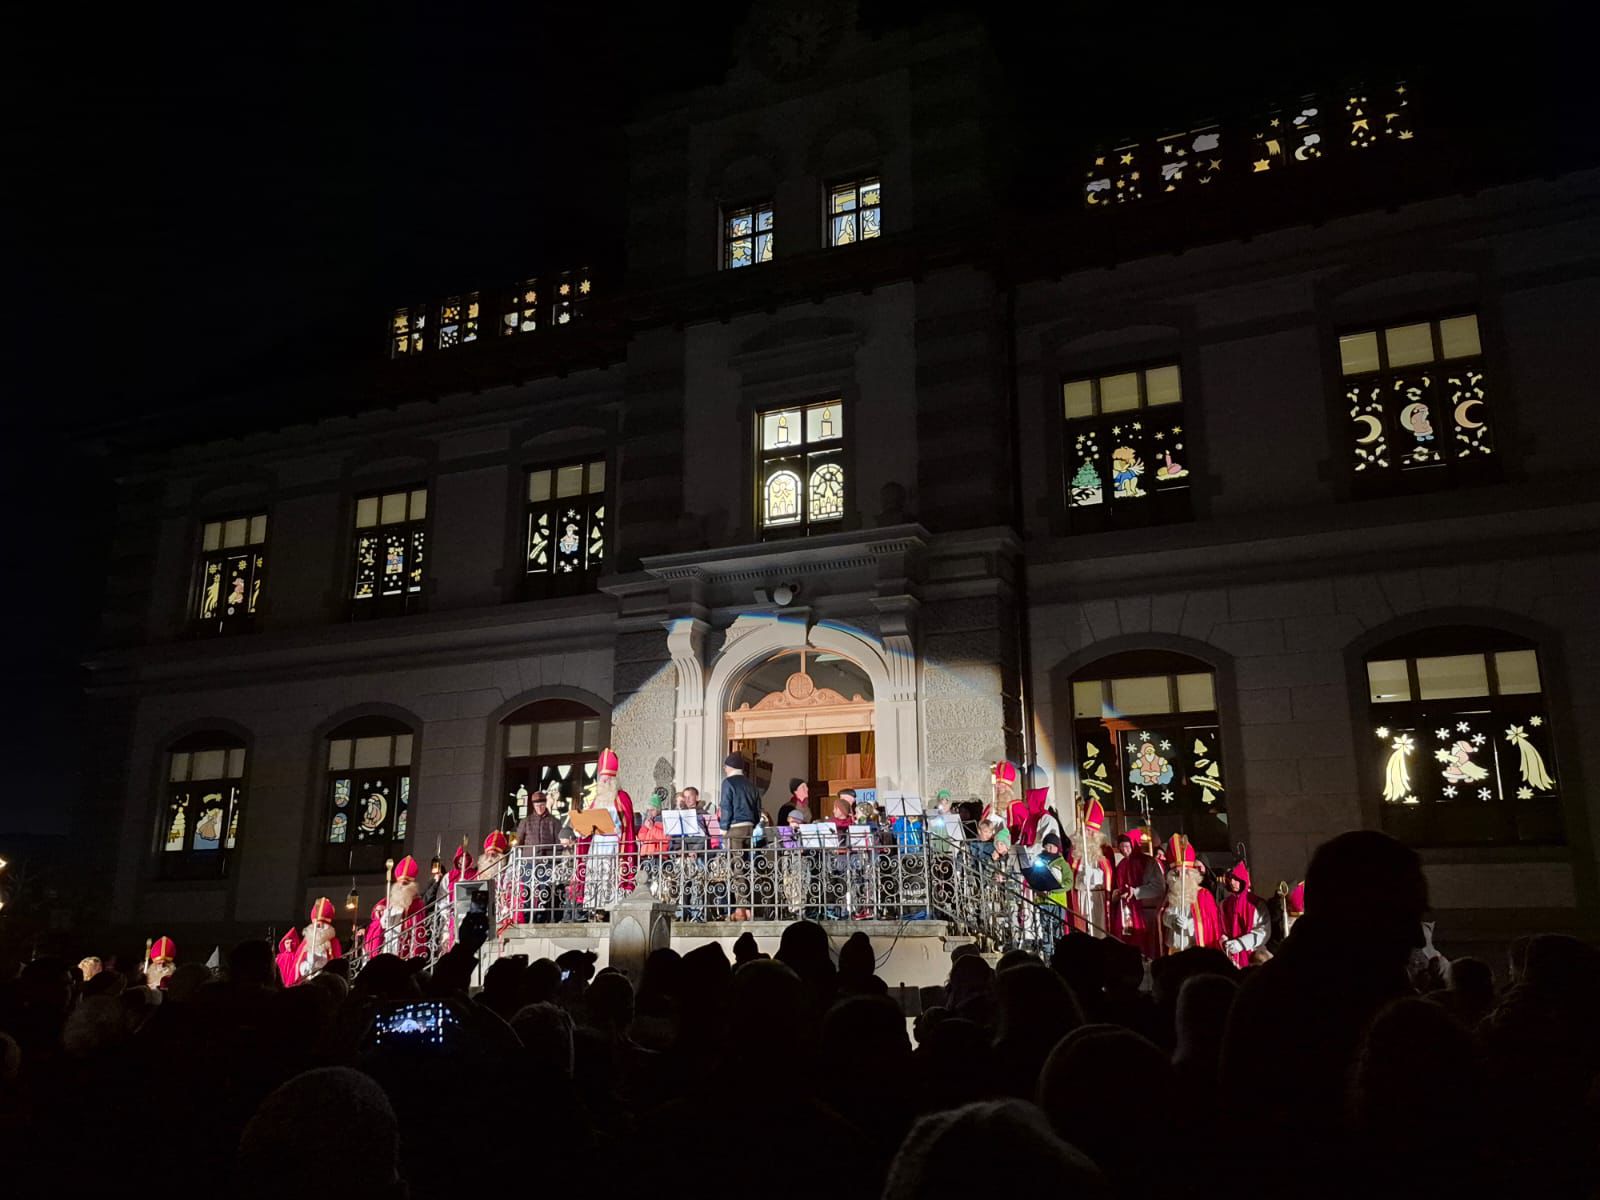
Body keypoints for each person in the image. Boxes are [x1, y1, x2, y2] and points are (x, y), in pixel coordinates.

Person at [719, 752, 763, 921]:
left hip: (734, 828)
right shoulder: (751, 784)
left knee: (737, 868)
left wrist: (723, 828)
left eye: (725, 766)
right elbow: (758, 808)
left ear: (730, 767)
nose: (724, 769)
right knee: (748, 866)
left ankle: (741, 909)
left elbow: (726, 806)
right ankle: (749, 907)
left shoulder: (728, 783)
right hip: (749, 828)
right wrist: (753, 823)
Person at [1163, 834, 1224, 953]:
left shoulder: (1203, 894)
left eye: (1184, 872)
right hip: (1173, 949)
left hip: (1193, 948)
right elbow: (1164, 915)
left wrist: (1189, 924)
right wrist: (1172, 920)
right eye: (1176, 873)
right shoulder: (1172, 893)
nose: (1179, 877)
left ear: (1191, 873)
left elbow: (1208, 922)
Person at [1109, 829, 1162, 958]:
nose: (1124, 850)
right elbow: (1116, 886)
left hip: (1145, 911)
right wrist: (1117, 894)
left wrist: (1136, 892)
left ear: (1133, 845)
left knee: (1147, 946)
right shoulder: (1121, 865)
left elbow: (1158, 887)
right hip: (1125, 912)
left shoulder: (1148, 862)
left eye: (1127, 846)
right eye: (1121, 847)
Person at [373, 856, 428, 959]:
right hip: (389, 943)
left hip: (405, 947)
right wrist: (380, 910)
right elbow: (381, 920)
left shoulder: (417, 903)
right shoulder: (390, 901)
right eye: (400, 883)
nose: (402, 887)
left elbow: (417, 930)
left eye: (405, 884)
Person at [1219, 860, 1270, 968]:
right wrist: (1224, 941)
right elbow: (1221, 927)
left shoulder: (1257, 904)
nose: (1232, 882)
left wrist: (1241, 943)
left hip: (1253, 955)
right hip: (1231, 955)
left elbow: (1263, 931)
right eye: (1230, 879)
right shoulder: (1224, 904)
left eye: (1235, 879)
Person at [290, 897, 344, 983]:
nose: (319, 927)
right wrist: (305, 967)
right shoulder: (307, 941)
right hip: (306, 979)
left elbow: (335, 964)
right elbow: (298, 963)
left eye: (322, 925)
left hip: (324, 981)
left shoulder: (333, 942)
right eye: (317, 925)